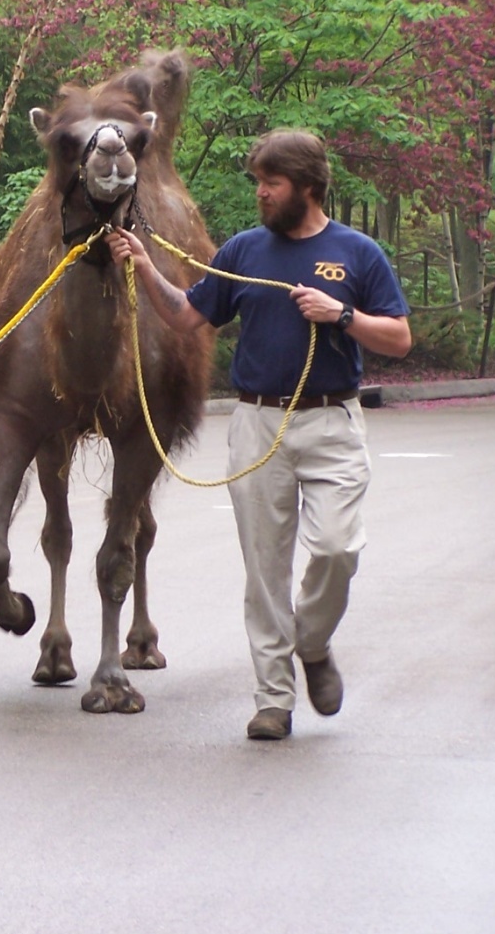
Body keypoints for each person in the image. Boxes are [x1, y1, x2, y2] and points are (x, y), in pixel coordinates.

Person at [107, 129, 412, 741]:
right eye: (258, 183)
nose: (261, 194)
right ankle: (273, 699)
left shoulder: (358, 253)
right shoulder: (245, 250)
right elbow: (188, 314)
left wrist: (342, 315)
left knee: (336, 549)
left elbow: (400, 339)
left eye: (270, 183)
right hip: (257, 423)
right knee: (264, 569)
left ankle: (314, 644)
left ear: (306, 186)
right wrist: (144, 267)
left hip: (332, 422)